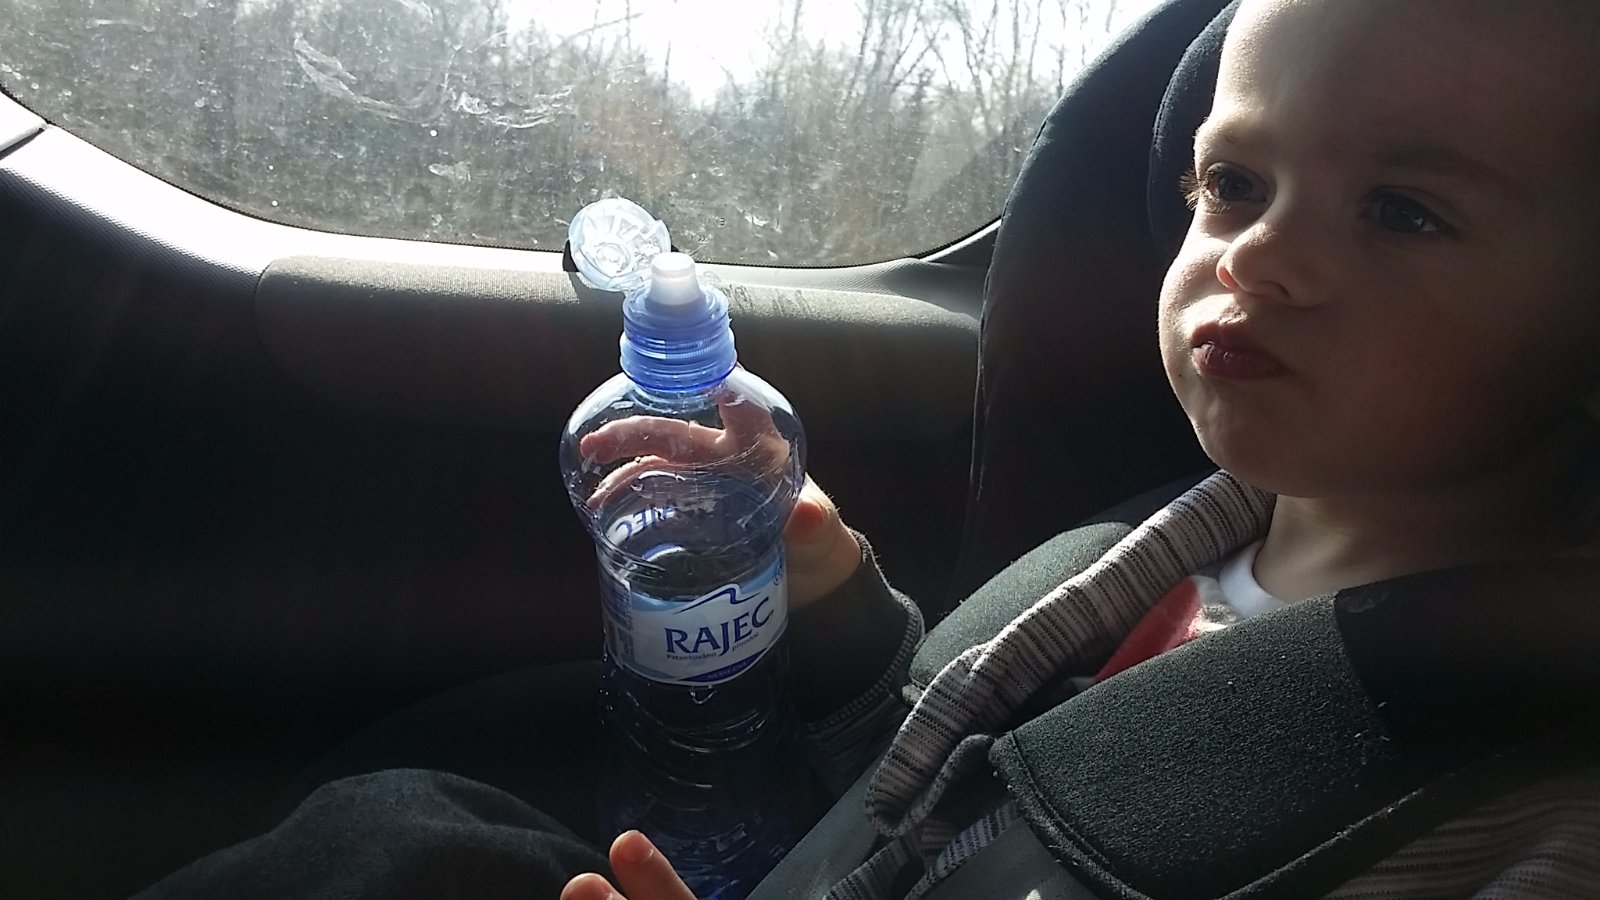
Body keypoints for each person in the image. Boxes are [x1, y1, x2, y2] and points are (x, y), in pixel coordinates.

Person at [137, 0, 1600, 897]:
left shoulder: (1524, 792)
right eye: (1232, 184)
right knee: (406, 835)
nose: (1258, 255)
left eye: (1402, 210)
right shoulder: (1149, 547)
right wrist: (840, 606)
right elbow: (933, 775)